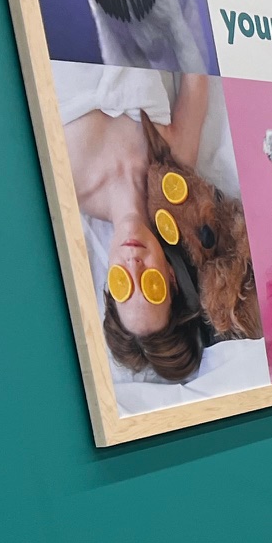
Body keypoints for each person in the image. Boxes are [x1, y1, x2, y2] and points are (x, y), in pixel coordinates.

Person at [62, 71, 211, 381]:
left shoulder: (64, 184)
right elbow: (195, 70)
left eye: (123, 286)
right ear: (171, 278)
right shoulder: (176, 173)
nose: (133, 265)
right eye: (152, 285)